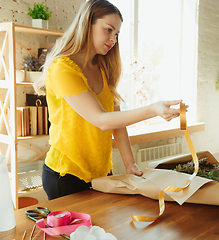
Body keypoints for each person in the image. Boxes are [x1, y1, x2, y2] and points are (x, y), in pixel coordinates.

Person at [33, 0, 183, 200]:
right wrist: (153, 110)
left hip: (101, 172)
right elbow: (101, 120)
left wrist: (130, 163)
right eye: (108, 30)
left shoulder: (103, 68)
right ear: (88, 25)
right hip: (66, 174)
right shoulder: (62, 69)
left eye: (117, 34)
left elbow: (116, 121)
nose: (113, 39)